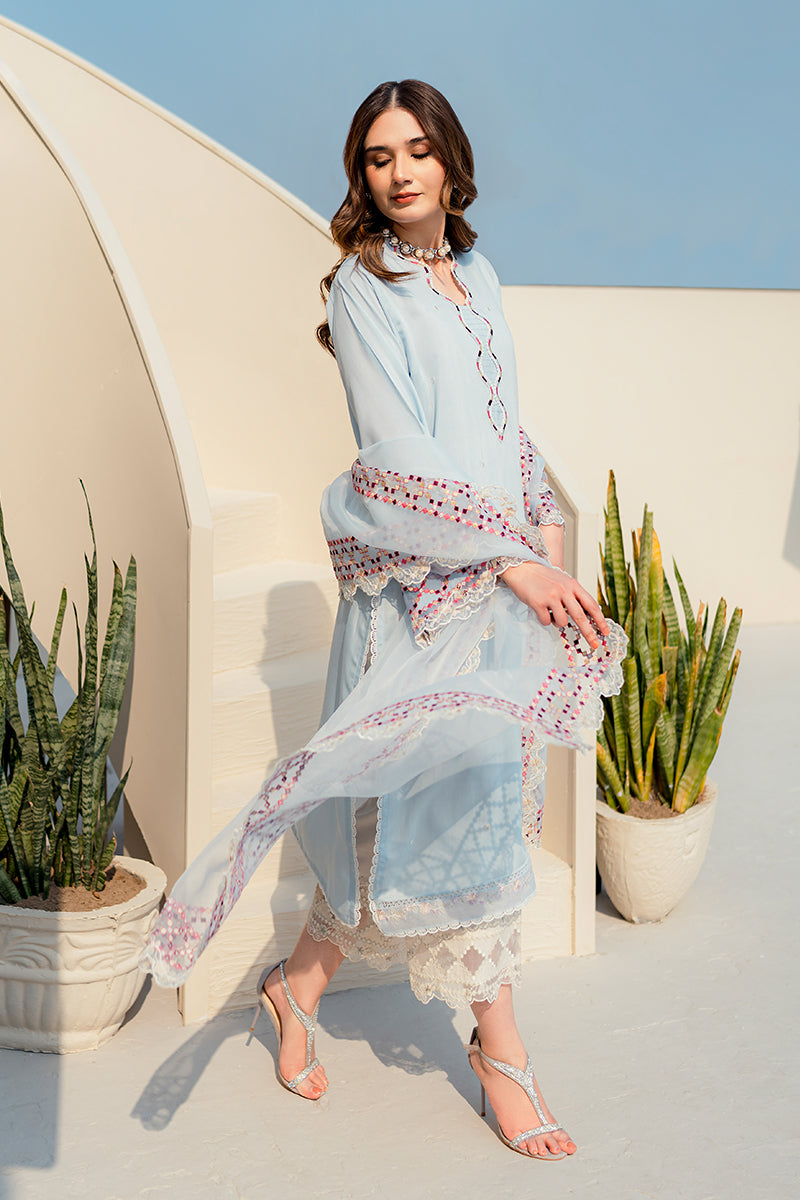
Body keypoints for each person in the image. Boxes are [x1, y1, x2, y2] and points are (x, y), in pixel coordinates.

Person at [142, 80, 625, 1163]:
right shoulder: (366, 288)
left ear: (450, 159)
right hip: (420, 590)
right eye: (377, 157)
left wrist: (540, 528)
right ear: (360, 175)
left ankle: (294, 987)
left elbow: (498, 427)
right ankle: (501, 1052)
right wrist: (506, 555)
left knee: (404, 824)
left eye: (416, 150)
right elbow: (396, 455)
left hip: (497, 580)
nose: (399, 172)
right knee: (435, 815)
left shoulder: (478, 276)